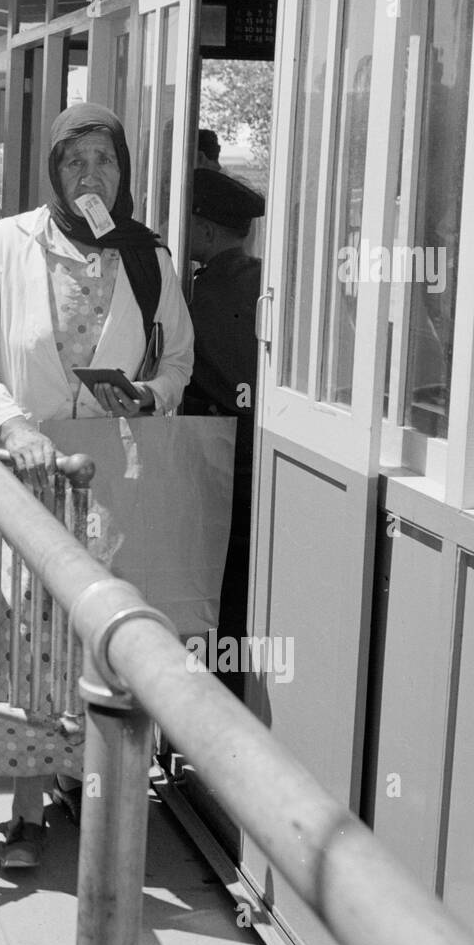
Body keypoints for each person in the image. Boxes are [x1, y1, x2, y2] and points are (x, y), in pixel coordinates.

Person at [0, 103, 193, 869]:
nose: (91, 176)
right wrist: (10, 425)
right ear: (52, 169)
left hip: (110, 477)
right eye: (74, 161)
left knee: (99, 637)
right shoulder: (5, 243)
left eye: (105, 161)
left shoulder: (145, 256)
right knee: (24, 639)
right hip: (27, 475)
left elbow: (177, 359)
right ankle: (22, 810)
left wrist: (147, 397)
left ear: (123, 171)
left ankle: (85, 782)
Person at [182, 167, 265, 697]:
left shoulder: (207, 293)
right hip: (254, 455)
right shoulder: (258, 280)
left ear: (208, 232)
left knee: (215, 582)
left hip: (218, 457)